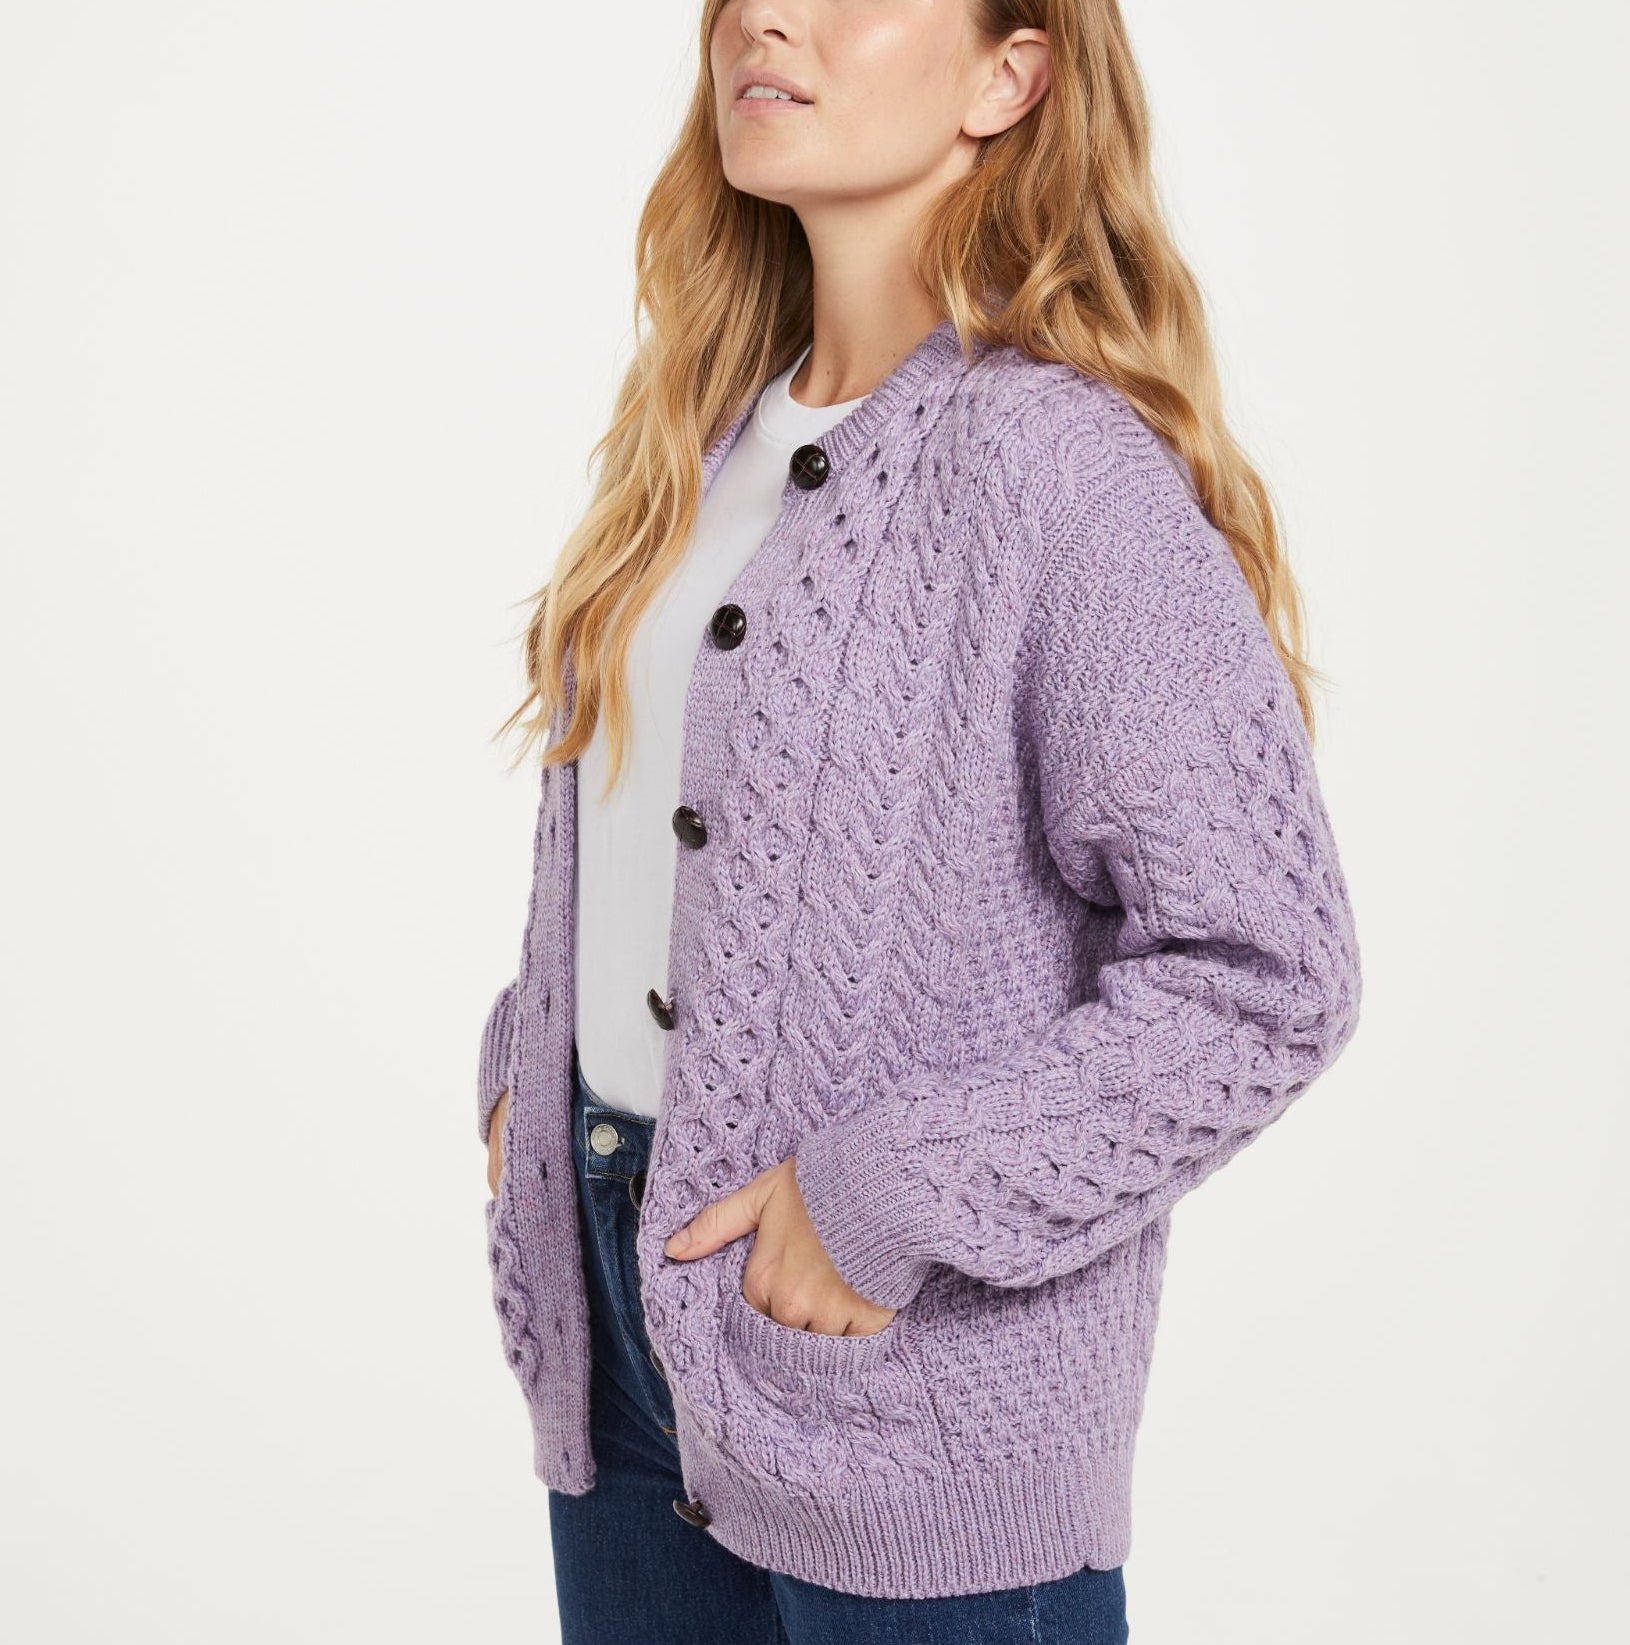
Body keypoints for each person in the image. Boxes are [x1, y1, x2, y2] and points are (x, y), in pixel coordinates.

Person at [475, 2, 1363, 1639]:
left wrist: (891, 1196)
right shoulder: (694, 440)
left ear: (1007, 76)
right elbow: (668, 847)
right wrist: (526, 1072)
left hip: (910, 1387)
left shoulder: (1054, 467)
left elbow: (1266, 970)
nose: (764, 18)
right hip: (617, 1335)